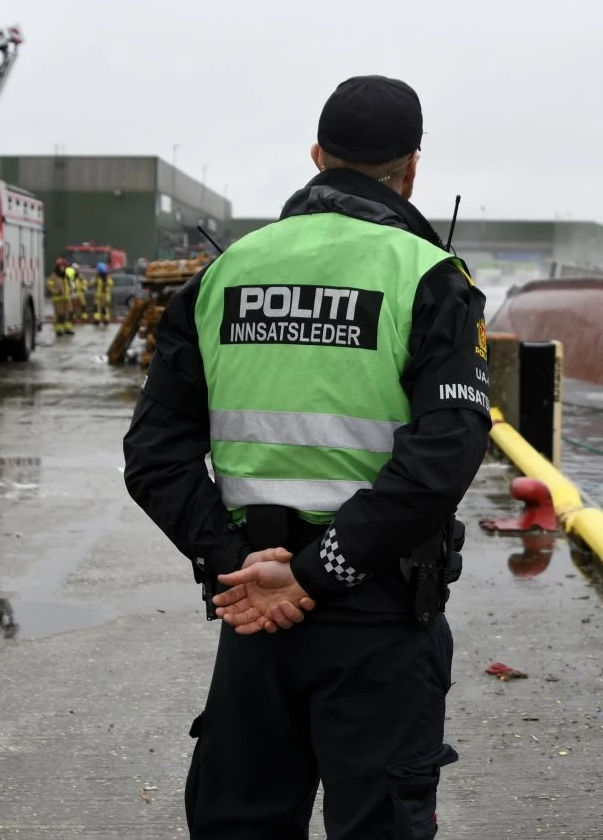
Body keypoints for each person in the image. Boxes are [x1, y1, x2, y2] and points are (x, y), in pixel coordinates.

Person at [124, 75, 491, 839]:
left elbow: (154, 455)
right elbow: (445, 455)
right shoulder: (426, 278)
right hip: (380, 620)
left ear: (318, 157)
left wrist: (245, 567)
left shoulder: (223, 276)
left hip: (254, 617)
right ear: (412, 168)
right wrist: (315, 570)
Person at [46, 258, 75, 337]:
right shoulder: (54, 276)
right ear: (58, 266)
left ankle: (67, 329)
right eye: (61, 266)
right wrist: (55, 291)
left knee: (69, 313)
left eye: (64, 266)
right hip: (58, 299)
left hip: (67, 298)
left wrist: (72, 290)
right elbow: (49, 285)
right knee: (60, 315)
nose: (63, 267)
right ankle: (58, 330)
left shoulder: (66, 275)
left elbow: (69, 284)